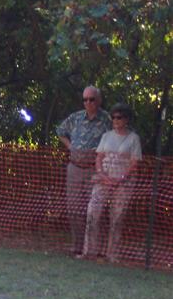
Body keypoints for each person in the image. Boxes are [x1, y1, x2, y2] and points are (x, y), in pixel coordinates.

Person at [82, 103, 142, 263]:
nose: (115, 120)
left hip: (124, 182)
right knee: (92, 212)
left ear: (126, 119)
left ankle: (112, 255)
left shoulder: (133, 138)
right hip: (103, 179)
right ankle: (89, 251)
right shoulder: (106, 136)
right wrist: (102, 175)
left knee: (117, 217)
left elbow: (135, 162)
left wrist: (121, 178)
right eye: (113, 117)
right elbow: (99, 157)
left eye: (119, 117)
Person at [56, 85, 111, 257]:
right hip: (74, 168)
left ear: (99, 100)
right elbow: (60, 131)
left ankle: (95, 249)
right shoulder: (76, 117)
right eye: (85, 99)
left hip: (95, 170)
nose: (88, 102)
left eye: (92, 99)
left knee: (94, 210)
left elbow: (116, 139)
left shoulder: (108, 119)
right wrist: (70, 146)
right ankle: (77, 246)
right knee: (74, 209)